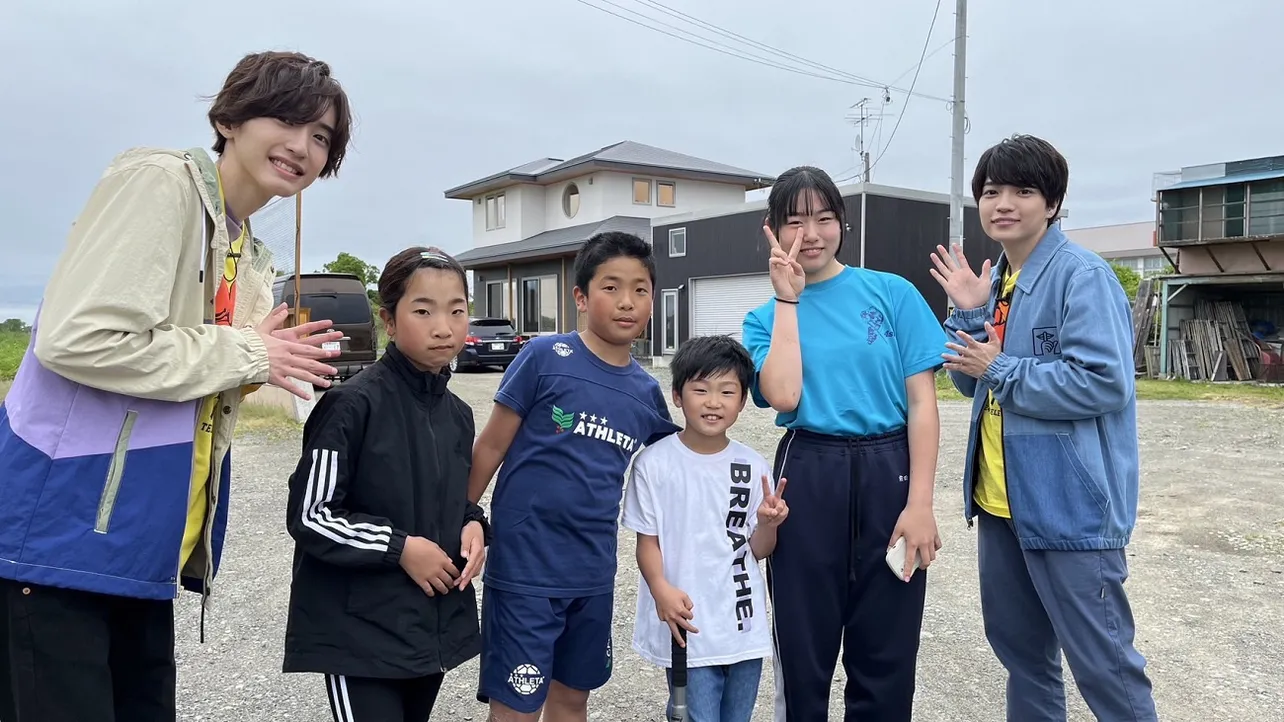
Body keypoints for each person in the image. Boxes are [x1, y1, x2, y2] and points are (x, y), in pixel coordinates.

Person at [0, 50, 352, 722]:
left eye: (322, 138)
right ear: (229, 118)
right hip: (57, 543)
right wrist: (249, 350)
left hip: (142, 549)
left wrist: (256, 365)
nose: (303, 146)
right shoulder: (161, 182)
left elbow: (190, 374)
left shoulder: (246, 252)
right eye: (286, 118)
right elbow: (79, 337)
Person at [931, 134, 1158, 722]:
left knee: (1105, 667)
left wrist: (999, 366)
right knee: (1024, 658)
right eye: (991, 191)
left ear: (1052, 203)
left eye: (1023, 191)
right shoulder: (1000, 281)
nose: (1003, 203)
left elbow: (1106, 383)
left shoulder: (1082, 276)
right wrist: (972, 315)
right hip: (1002, 506)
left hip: (1070, 508)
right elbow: (970, 384)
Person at [740, 165, 945, 722]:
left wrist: (920, 504)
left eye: (824, 219)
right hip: (810, 470)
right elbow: (783, 395)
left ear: (842, 224)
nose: (810, 233)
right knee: (804, 652)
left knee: (888, 648)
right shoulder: (762, 319)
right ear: (772, 228)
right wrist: (788, 301)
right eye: (795, 220)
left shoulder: (891, 292)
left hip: (890, 466)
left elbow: (923, 404)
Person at [467, 231, 681, 721]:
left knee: (571, 700)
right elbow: (492, 445)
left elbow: (677, 465)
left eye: (641, 290)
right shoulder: (544, 358)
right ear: (580, 297)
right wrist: (461, 514)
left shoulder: (646, 393)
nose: (627, 302)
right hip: (525, 572)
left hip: (593, 575)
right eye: (611, 287)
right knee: (516, 706)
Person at [281, 247, 490, 722]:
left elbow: (445, 500)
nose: (444, 326)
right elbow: (311, 516)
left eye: (457, 310)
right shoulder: (350, 406)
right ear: (388, 322)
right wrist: (401, 548)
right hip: (360, 635)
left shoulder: (457, 415)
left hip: (427, 629)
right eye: (423, 310)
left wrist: (474, 524)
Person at [621, 334, 788, 722]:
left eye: (727, 392)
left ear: (743, 401)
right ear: (678, 395)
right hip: (688, 626)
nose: (713, 402)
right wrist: (660, 589)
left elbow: (760, 549)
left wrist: (767, 523)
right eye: (701, 390)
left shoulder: (752, 465)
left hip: (742, 625)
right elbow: (647, 543)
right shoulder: (655, 464)